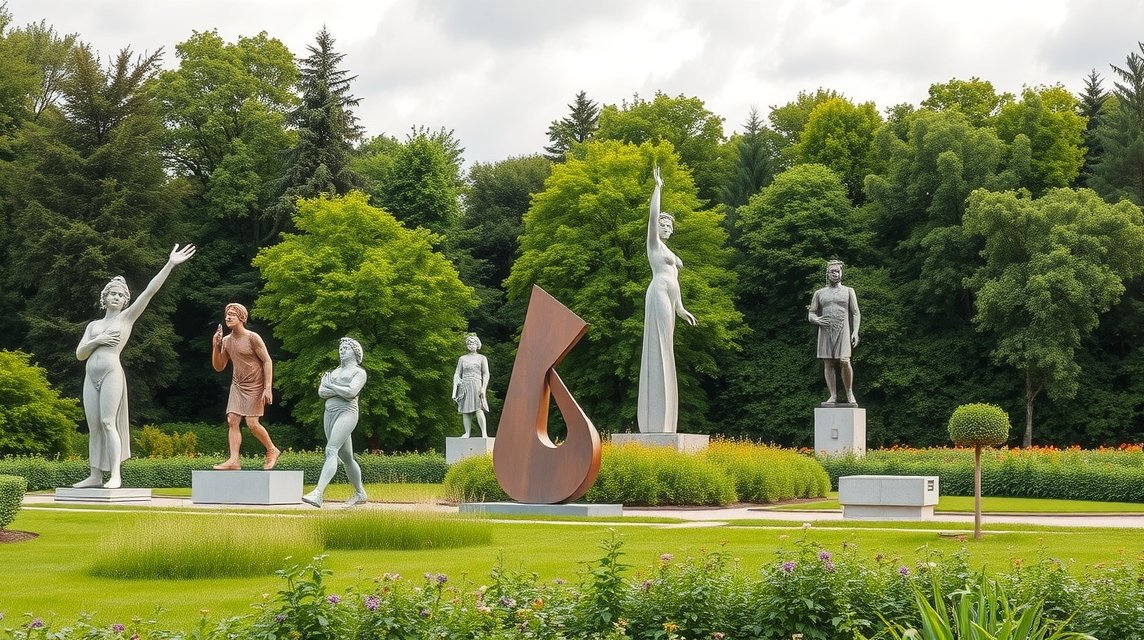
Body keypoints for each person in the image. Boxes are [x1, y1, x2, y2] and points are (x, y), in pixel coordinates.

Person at [73, 244, 196, 489]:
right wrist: (97, 341)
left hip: (111, 372)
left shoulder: (126, 318)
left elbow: (150, 292)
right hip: (91, 375)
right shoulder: (93, 326)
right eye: (113, 294)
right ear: (104, 297)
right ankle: (95, 475)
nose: (117, 298)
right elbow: (79, 354)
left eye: (121, 295)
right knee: (94, 426)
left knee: (108, 423)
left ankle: (115, 475)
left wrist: (170, 264)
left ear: (125, 300)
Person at [638, 165, 696, 434]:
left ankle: (666, 419)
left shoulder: (669, 252)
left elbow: (676, 282)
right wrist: (658, 187)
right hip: (658, 294)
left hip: (670, 299)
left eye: (670, 226)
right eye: (664, 225)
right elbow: (651, 218)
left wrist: (682, 308)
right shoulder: (654, 246)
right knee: (659, 347)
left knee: (667, 349)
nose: (666, 229)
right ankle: (654, 417)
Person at [211, 303, 280, 470]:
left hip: (256, 385)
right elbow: (219, 367)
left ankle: (272, 449)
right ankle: (234, 460)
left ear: (241, 317)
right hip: (238, 385)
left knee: (252, 423)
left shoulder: (252, 337)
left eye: (232, 314)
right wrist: (216, 346)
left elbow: (267, 361)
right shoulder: (226, 341)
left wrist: (268, 387)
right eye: (227, 314)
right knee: (232, 419)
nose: (228, 317)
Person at [302, 337, 368, 508]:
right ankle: (360, 493)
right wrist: (336, 389)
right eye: (341, 348)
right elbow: (321, 392)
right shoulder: (335, 372)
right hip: (329, 413)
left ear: (355, 352)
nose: (342, 350)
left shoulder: (359, 372)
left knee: (331, 450)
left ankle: (318, 493)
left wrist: (332, 387)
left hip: (347, 413)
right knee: (347, 457)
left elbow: (351, 392)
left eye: (346, 348)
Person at [807, 260, 861, 404]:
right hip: (825, 329)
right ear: (828, 274)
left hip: (843, 328)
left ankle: (849, 393)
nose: (835, 274)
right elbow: (811, 313)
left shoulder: (849, 291)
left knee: (844, 360)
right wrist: (816, 320)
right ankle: (833, 395)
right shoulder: (819, 293)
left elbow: (855, 313)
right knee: (828, 362)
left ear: (841, 273)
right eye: (833, 271)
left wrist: (855, 331)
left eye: (838, 271)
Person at [451, 333, 490, 437]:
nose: (472, 345)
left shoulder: (482, 358)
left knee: (479, 409)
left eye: (474, 343)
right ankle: (467, 433)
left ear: (478, 345)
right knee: (465, 411)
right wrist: (455, 389)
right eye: (470, 343)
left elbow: (486, 373)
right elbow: (457, 373)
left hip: (477, 384)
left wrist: (483, 388)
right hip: (464, 385)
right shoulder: (462, 358)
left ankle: (484, 433)